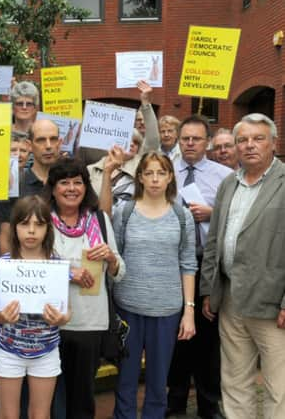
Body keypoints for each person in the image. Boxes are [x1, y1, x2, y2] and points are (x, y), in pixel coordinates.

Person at [200, 113, 285, 419]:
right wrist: (209, 289)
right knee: (234, 381)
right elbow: (214, 242)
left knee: (280, 387)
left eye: (258, 139)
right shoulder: (227, 184)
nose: (250, 145)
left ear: (273, 143)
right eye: (243, 140)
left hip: (273, 306)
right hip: (231, 300)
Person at [112, 152, 197, 419]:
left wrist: (189, 311)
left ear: (170, 176)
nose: (155, 179)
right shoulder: (124, 212)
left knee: (159, 381)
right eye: (148, 173)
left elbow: (188, 264)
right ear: (139, 177)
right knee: (125, 379)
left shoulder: (182, 215)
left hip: (167, 310)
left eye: (161, 173)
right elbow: (115, 258)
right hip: (128, 308)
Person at [45, 158, 124, 419]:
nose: (71, 188)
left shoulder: (99, 219)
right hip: (51, 320)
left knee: (83, 397)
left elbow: (119, 271)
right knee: (52, 396)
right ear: (53, 188)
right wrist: (68, 272)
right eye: (64, 182)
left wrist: (111, 259)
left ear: (85, 187)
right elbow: (31, 266)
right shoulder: (42, 220)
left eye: (77, 182)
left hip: (90, 322)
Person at [167, 115, 231, 419]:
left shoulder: (224, 176)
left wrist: (212, 213)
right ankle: (175, 398)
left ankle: (208, 403)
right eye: (185, 139)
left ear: (207, 142)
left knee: (207, 336)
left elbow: (236, 217)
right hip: (171, 264)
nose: (189, 143)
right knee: (176, 335)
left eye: (196, 139)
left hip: (206, 263)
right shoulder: (166, 171)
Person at [0, 195, 71, 419]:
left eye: (39, 224)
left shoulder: (57, 265)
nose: (31, 231)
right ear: (14, 228)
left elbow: (67, 311)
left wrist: (59, 319)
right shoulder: (3, 265)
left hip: (46, 350)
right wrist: (2, 316)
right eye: (25, 224)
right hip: (8, 350)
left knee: (40, 415)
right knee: (8, 414)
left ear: (48, 229)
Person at [0, 119, 61, 254]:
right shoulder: (15, 185)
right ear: (29, 145)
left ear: (60, 143)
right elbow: (6, 237)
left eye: (53, 139)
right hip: (25, 270)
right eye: (41, 140)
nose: (48, 146)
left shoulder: (71, 185)